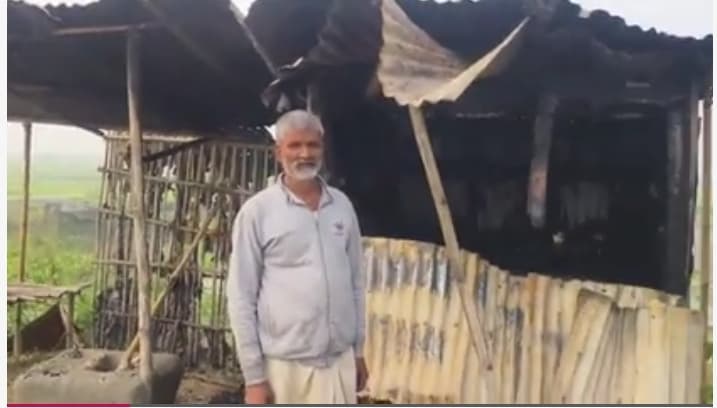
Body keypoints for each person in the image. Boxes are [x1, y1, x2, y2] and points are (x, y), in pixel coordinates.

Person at [227, 110, 368, 404]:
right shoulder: (258, 212)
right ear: (279, 152)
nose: (305, 154)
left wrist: (357, 352)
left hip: (338, 363)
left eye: (312, 145)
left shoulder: (341, 206)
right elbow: (241, 297)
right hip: (284, 369)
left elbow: (356, 284)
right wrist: (254, 378)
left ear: (322, 149)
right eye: (295, 145)